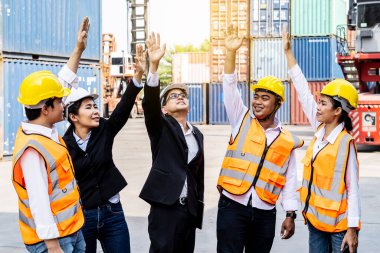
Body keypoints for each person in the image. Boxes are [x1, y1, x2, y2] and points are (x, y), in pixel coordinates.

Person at [216, 24, 304, 253]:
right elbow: (229, 84)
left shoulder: (286, 140)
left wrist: (290, 215)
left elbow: (290, 180)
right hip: (232, 206)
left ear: (278, 104)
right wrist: (231, 52)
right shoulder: (240, 118)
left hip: (265, 212)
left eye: (265, 98)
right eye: (256, 96)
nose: (258, 102)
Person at [11, 16, 92, 253]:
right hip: (54, 241)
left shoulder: (45, 126)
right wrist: (53, 246)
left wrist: (78, 49)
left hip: (71, 231)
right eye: (59, 102)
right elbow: (38, 202)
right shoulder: (32, 150)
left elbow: (64, 80)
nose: (64, 103)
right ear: (46, 109)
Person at [62, 41, 145, 253]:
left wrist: (137, 78)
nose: (96, 111)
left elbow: (123, 109)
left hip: (113, 214)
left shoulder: (104, 130)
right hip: (82, 217)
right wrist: (78, 49)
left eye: (95, 106)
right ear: (73, 116)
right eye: (88, 107)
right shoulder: (63, 145)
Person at [283, 26, 360, 253]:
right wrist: (288, 53)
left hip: (340, 227)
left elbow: (353, 188)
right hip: (315, 222)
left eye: (324, 104)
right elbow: (303, 92)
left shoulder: (346, 143)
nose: (318, 107)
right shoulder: (319, 131)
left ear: (337, 111)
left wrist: (352, 228)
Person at [139, 32, 205, 253]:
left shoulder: (197, 134)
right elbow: (149, 106)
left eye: (182, 94)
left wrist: (198, 207)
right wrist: (154, 67)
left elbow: (197, 175)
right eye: (173, 96)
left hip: (188, 210)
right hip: (165, 208)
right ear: (164, 109)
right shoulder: (161, 127)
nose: (179, 96)